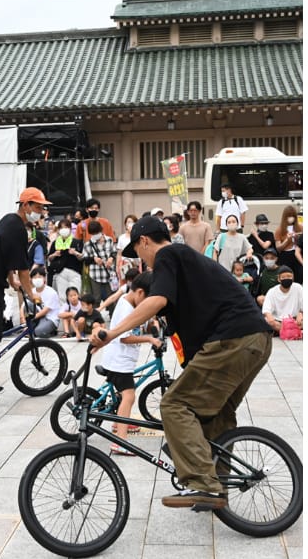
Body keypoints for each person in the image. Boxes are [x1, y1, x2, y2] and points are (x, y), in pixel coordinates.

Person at [94, 215, 272, 508]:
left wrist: (111, 332)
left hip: (234, 340)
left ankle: (204, 483)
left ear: (144, 241)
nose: (141, 262)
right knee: (216, 414)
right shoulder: (184, 265)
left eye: (137, 253)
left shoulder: (168, 254)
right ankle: (217, 486)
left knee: (174, 405)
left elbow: (156, 300)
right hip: (255, 341)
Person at [0, 187, 50, 397]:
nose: (40, 212)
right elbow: (23, 270)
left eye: (42, 208)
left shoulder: (10, 220)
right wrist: (32, 294)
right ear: (25, 205)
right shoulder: (17, 229)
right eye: (38, 207)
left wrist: (11, 280)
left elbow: (3, 256)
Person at [96, 270, 162, 454]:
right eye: (148, 299)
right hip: (118, 362)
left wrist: (152, 324)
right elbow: (124, 338)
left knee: (123, 395)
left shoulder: (130, 301)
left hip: (119, 360)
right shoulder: (126, 307)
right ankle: (120, 442)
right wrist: (149, 339)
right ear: (140, 292)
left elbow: (141, 323)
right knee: (129, 396)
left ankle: (120, 423)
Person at [82, 218, 116, 304]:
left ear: (101, 230)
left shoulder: (109, 240)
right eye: (93, 234)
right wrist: (94, 259)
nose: (95, 235)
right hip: (95, 275)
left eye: (96, 233)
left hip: (109, 273)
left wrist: (111, 258)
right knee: (96, 298)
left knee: (111, 298)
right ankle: (96, 316)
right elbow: (85, 259)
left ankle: (112, 316)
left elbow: (114, 252)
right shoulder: (88, 244)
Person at [260, 266, 303, 334]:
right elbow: (266, 310)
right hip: (279, 322)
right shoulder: (272, 291)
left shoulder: (298, 288)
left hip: (295, 320)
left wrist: (301, 313)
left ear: (293, 278)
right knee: (266, 320)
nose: (286, 278)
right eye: (283, 277)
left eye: (289, 276)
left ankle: (286, 331)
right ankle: (292, 331)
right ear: (279, 279)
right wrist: (270, 319)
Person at [28, 266, 63, 337]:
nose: (37, 279)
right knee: (28, 304)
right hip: (38, 317)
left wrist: (32, 318)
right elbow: (23, 307)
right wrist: (23, 321)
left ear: (44, 278)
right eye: (34, 277)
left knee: (39, 332)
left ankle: (49, 330)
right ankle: (32, 329)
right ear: (31, 279)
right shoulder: (32, 291)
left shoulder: (51, 292)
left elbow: (45, 311)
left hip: (50, 318)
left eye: (40, 277)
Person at [274, 206, 301, 283]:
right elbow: (278, 248)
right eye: (289, 216)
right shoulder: (279, 229)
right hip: (285, 255)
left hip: (297, 254)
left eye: (293, 216)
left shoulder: (300, 227)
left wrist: (297, 238)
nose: (291, 218)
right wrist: (287, 240)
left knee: (299, 277)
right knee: (286, 277)